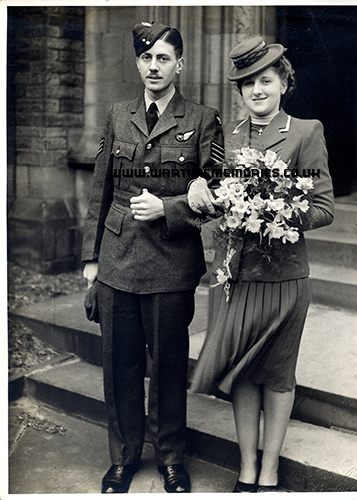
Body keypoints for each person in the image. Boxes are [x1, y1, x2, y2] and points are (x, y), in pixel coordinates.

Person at [81, 21, 223, 494]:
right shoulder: (118, 114)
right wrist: (90, 260)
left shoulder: (203, 119)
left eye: (164, 58)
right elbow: (99, 187)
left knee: (166, 365)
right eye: (146, 58)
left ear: (179, 64)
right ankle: (122, 458)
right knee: (119, 365)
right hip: (118, 258)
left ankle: (170, 459)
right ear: (138, 63)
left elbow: (219, 193)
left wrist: (169, 208)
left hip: (171, 260)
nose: (154, 67)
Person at [188, 36, 334, 492]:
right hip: (233, 278)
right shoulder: (225, 137)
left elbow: (324, 207)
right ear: (240, 91)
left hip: (283, 276)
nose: (256, 90)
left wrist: (279, 212)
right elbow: (215, 201)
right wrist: (202, 196)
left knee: (276, 371)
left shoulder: (306, 132)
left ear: (283, 83)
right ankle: (246, 466)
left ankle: (269, 469)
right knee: (242, 372)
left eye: (265, 80)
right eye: (248, 83)